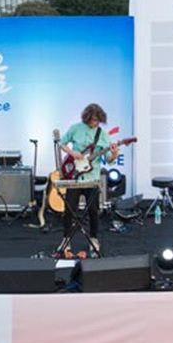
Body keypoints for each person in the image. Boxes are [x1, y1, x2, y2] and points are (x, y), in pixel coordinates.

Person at [57, 103, 120, 258]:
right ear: (86, 118)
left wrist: (115, 154)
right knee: (69, 210)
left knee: (93, 210)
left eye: (98, 121)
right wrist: (73, 153)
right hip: (75, 176)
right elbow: (61, 143)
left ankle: (93, 238)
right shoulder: (75, 128)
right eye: (92, 120)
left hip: (92, 177)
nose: (95, 123)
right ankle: (66, 239)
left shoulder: (103, 135)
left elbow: (109, 159)